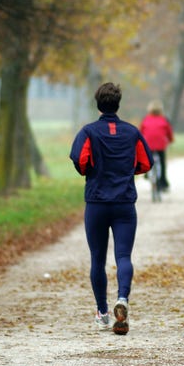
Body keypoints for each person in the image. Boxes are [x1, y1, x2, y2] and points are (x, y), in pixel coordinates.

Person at [69, 82, 153, 335]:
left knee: (97, 258)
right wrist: (129, 172)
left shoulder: (88, 132)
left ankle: (103, 312)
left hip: (96, 202)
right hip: (124, 203)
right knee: (124, 256)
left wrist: (90, 173)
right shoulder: (132, 132)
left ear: (98, 104)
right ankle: (123, 299)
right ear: (118, 104)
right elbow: (146, 163)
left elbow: (79, 160)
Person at [139, 99, 174, 191]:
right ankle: (163, 182)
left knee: (147, 159)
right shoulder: (164, 120)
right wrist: (170, 140)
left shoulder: (145, 119)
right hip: (160, 145)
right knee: (162, 163)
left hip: (148, 145)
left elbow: (141, 132)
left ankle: (147, 172)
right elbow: (169, 133)